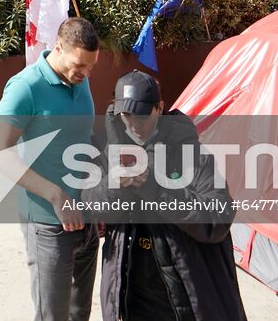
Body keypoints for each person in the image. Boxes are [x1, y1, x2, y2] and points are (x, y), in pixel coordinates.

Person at [98, 71, 245, 321]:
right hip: (129, 296)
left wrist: (155, 189)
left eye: (142, 115)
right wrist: (115, 185)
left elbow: (217, 218)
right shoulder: (113, 151)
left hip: (184, 296)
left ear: (160, 108)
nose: (134, 124)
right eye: (126, 115)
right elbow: (91, 205)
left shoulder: (191, 154)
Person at [0, 17, 100, 321]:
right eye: (80, 65)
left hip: (87, 217)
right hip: (48, 225)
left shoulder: (79, 77)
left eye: (91, 66)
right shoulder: (25, 87)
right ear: (58, 47)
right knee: (53, 315)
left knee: (80, 312)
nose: (87, 73)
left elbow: (82, 137)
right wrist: (55, 195)